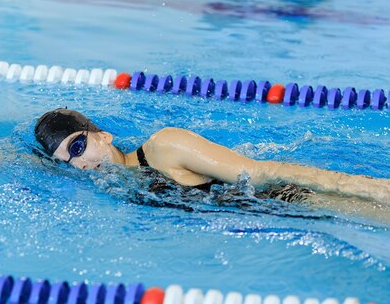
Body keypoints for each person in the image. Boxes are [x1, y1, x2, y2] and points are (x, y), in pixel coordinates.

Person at [34, 108, 390, 218]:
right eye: (66, 161)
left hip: (290, 199)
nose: (78, 164)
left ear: (103, 136)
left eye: (78, 146)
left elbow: (267, 172)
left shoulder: (164, 147)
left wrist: (371, 188)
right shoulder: (112, 182)